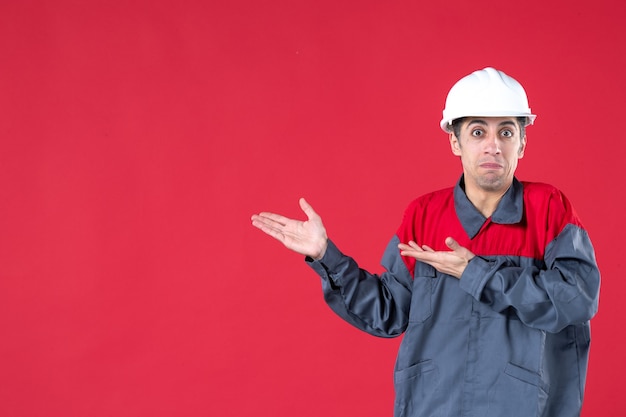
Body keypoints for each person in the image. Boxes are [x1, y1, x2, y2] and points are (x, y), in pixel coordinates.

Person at [250, 67, 600, 417]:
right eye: (478, 132)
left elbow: (578, 298)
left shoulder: (549, 209)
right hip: (434, 407)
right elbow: (388, 312)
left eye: (506, 132)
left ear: (521, 142)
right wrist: (326, 255)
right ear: (455, 141)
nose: (493, 145)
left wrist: (477, 273)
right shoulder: (425, 214)